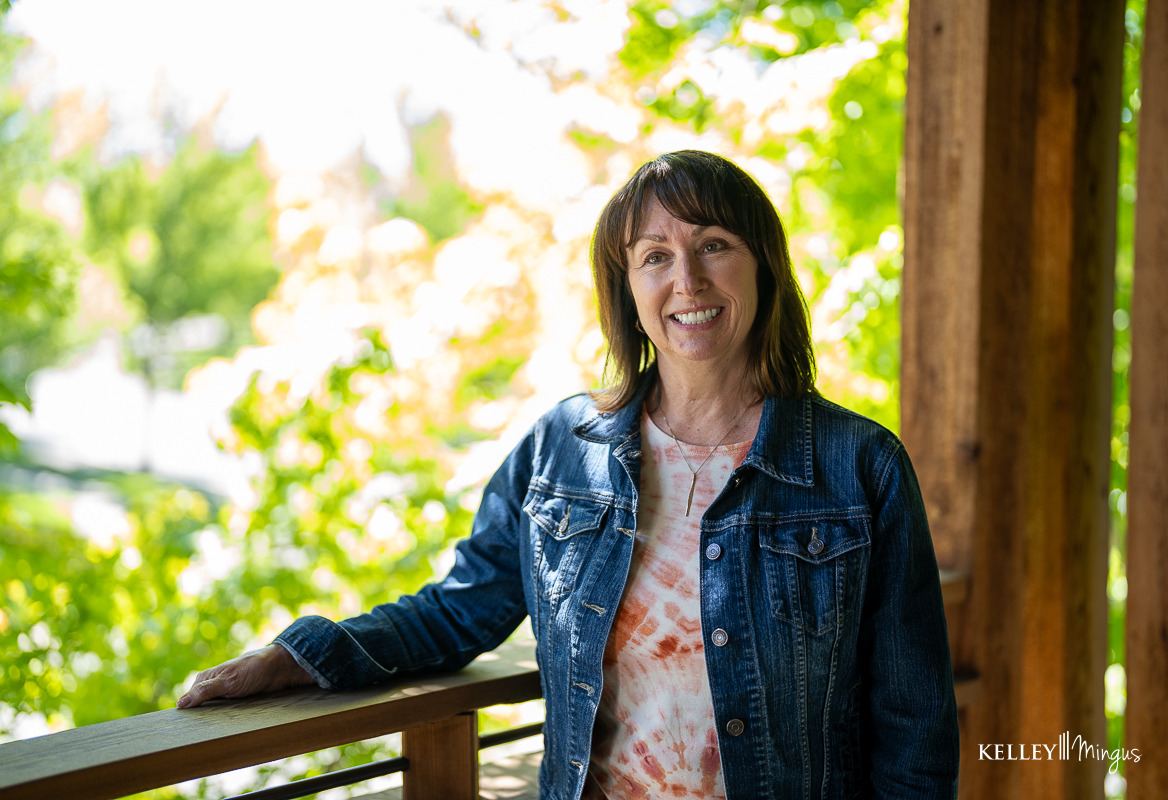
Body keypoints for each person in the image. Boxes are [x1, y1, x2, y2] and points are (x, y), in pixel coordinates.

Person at [178, 150, 959, 799]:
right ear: (628, 290)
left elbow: (915, 726)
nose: (686, 279)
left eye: (713, 244)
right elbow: (458, 612)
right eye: (655, 256)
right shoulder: (564, 450)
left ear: (763, 267)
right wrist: (300, 655)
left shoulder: (859, 467)